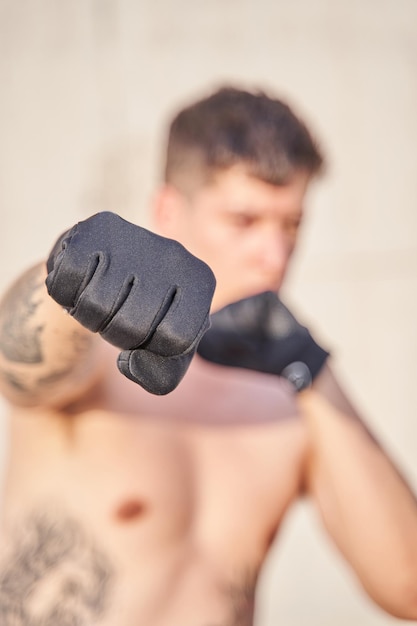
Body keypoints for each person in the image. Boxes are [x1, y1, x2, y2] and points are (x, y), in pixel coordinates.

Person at [0, 86, 416, 626]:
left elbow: (409, 587)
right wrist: (66, 276)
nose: (276, 256)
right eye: (244, 221)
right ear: (168, 210)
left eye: (291, 224)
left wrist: (311, 367)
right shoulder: (92, 353)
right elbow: (18, 362)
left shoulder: (293, 405)